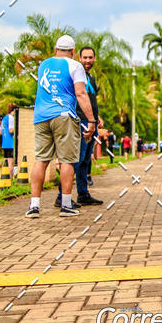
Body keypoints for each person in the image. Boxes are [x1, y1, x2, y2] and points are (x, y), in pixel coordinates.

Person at [26, 35, 95, 217]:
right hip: (63, 116)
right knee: (67, 160)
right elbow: (81, 94)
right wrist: (92, 120)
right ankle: (65, 205)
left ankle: (34, 206)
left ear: (56, 49)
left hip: (40, 116)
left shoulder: (44, 64)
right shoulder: (75, 65)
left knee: (41, 159)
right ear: (73, 51)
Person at [61, 46, 104, 207]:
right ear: (79, 58)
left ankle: (83, 194)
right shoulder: (75, 75)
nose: (87, 60)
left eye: (90, 57)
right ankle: (62, 196)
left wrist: (96, 117)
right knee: (74, 159)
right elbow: (77, 97)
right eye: (85, 57)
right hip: (79, 122)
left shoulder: (91, 77)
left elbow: (90, 99)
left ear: (94, 59)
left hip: (91, 122)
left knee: (86, 160)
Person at [0, 103, 15, 175]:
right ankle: (10, 180)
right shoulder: (11, 117)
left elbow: (0, 132)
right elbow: (11, 130)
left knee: (5, 162)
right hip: (10, 143)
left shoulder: (4, 118)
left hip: (4, 143)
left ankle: (3, 178)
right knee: (10, 163)